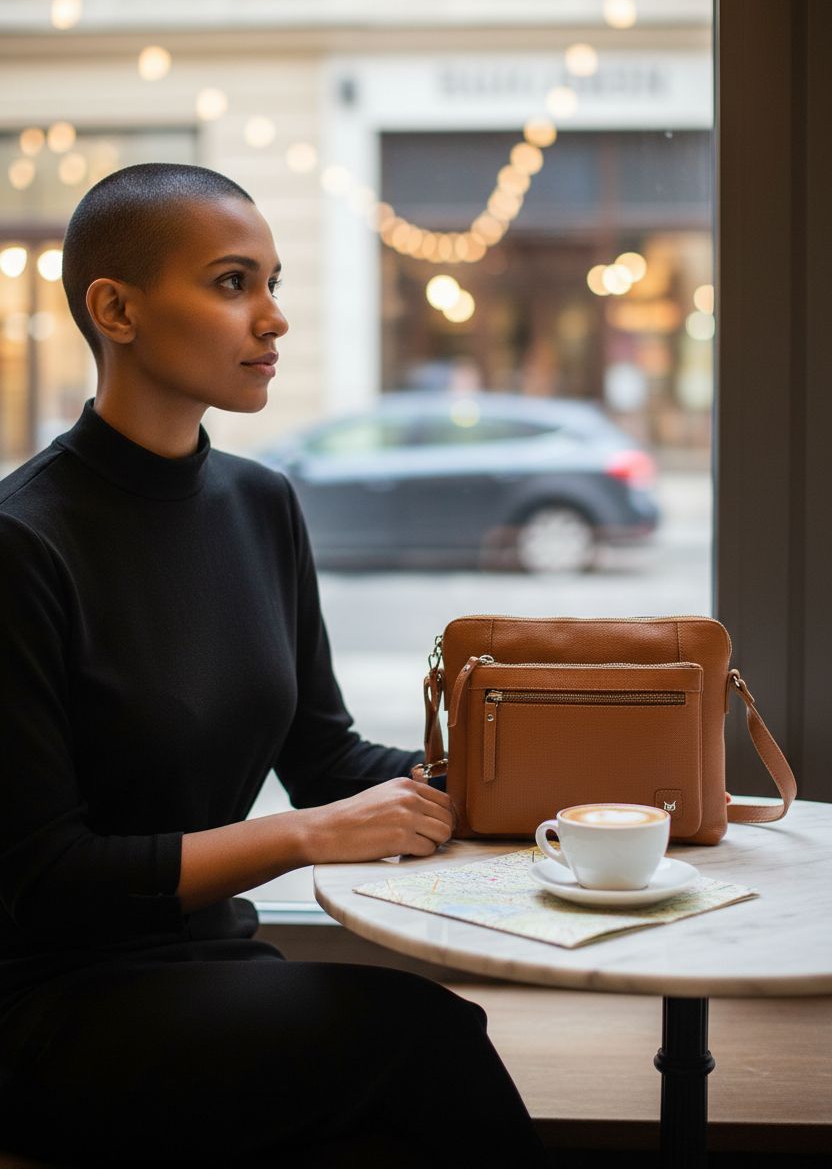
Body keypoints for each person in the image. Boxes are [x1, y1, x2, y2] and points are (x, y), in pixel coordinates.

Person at [0, 163, 547, 1168]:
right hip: (48, 1005)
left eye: (274, 282)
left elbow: (325, 753)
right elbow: (44, 876)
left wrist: (536, 775)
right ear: (114, 309)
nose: (274, 319)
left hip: (209, 964)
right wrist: (303, 837)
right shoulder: (22, 544)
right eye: (231, 282)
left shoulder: (262, 503)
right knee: (426, 1037)